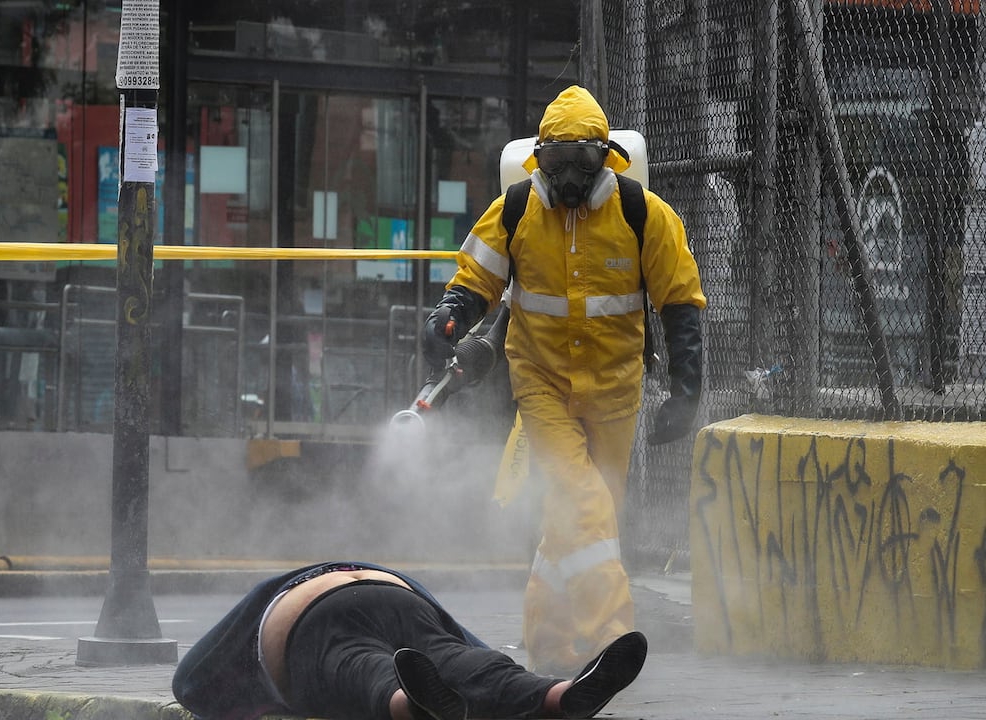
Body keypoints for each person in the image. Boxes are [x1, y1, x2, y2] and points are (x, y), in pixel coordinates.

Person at [421, 85, 705, 674]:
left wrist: (686, 389)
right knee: (582, 505)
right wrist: (450, 314)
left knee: (582, 520)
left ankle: (550, 648)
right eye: (556, 162)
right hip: (542, 385)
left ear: (607, 158)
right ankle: (613, 640)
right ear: (539, 159)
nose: (570, 176)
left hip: (616, 390)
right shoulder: (519, 209)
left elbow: (680, 298)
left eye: (584, 161)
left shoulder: (641, 213)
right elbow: (477, 277)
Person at [172, 560, 647, 720]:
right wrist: (493, 688)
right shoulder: (369, 571)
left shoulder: (272, 593)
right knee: (462, 661)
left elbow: (189, 682)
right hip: (402, 597)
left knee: (359, 667)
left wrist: (259, 701)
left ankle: (410, 705)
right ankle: (559, 694)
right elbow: (465, 644)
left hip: (311, 618)